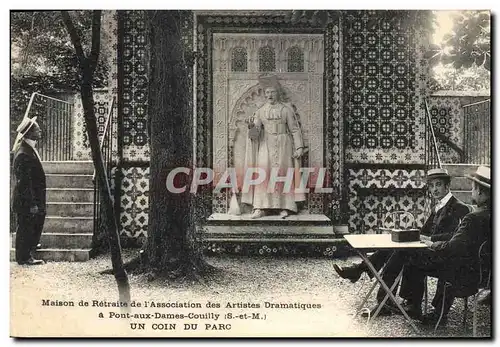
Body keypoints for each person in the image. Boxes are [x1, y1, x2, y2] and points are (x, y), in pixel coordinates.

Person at [333, 168, 470, 316]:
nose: (434, 189)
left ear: (447, 186)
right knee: (393, 247)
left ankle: (379, 292)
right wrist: (406, 234)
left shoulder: (459, 207)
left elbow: (456, 236)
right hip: (430, 251)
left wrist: (430, 239)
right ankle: (375, 290)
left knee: (400, 252)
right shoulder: (437, 206)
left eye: (438, 185)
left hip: (443, 256)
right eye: (431, 186)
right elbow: (423, 232)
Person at [401, 165, 491, 325]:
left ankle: (427, 309)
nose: (471, 191)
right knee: (437, 259)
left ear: (480, 191)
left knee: (414, 258)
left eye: (472, 188)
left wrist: (432, 243)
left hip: (465, 275)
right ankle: (422, 307)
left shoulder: (473, 218)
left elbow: (453, 247)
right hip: (486, 275)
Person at [241, 75, 305, 219]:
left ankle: (285, 207)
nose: (270, 95)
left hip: (284, 144)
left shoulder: (286, 110)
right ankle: (260, 207)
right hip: (266, 144)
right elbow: (254, 135)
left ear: (277, 93)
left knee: (283, 174)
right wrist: (251, 125)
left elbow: (294, 129)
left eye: (272, 92)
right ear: (265, 94)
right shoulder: (260, 111)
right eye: (267, 92)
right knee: (264, 174)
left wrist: (299, 147)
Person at [12, 117, 46, 265]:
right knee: (26, 226)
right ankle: (24, 257)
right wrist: (32, 203)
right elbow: (24, 183)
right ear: (30, 133)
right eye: (37, 129)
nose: (40, 131)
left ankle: (29, 249)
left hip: (33, 197)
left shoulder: (28, 148)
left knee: (32, 223)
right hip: (26, 198)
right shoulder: (23, 153)